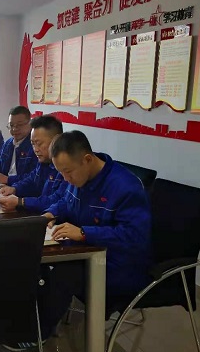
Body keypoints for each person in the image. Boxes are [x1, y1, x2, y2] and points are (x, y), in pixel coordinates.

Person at [40, 130, 152, 339]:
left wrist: (84, 233)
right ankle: (34, 317)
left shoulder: (126, 187)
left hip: (117, 264)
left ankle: (37, 333)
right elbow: (66, 201)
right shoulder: (78, 177)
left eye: (68, 172)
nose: (65, 179)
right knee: (37, 263)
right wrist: (51, 214)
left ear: (87, 160)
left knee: (62, 274)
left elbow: (135, 236)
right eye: (61, 172)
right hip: (86, 251)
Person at [0, 115, 67, 213]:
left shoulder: (66, 168)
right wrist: (14, 189)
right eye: (33, 144)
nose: (35, 149)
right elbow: (32, 180)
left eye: (39, 143)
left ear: (56, 140)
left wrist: (21, 202)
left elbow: (54, 201)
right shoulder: (44, 161)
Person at [0, 106, 37, 186]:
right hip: (4, 186)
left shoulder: (35, 146)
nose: (14, 129)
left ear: (30, 124)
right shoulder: (8, 144)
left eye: (19, 125)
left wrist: (8, 179)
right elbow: (1, 164)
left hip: (21, 188)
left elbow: (34, 177)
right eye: (11, 125)